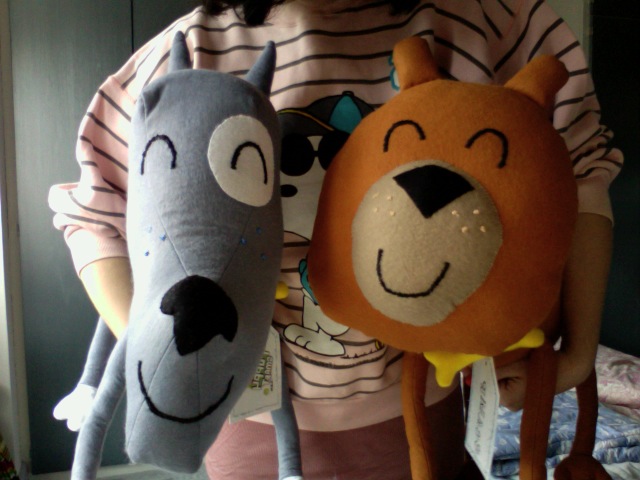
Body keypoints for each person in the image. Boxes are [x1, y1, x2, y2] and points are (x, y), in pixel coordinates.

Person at [48, 0, 621, 478]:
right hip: (248, 420)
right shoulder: (188, 54)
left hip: (421, 405)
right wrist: (171, 358)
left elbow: (582, 176)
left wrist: (576, 351)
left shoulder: (487, 25)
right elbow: (93, 214)